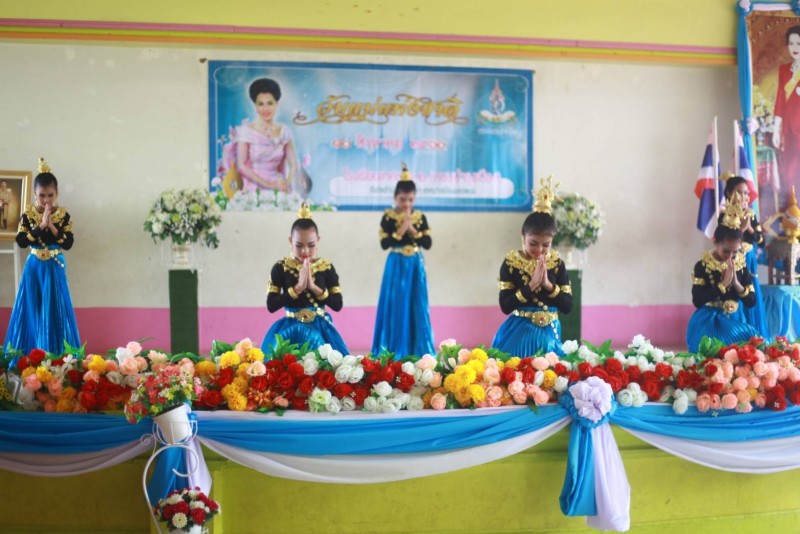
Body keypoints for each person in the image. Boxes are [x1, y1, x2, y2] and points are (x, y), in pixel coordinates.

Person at [4, 158, 80, 358]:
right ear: (34, 195)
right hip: (34, 266)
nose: (46, 200)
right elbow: (21, 241)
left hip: (54, 265)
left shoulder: (63, 215)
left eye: (50, 195)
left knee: (55, 307)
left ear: (57, 194)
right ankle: (30, 356)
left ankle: (56, 356)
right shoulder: (28, 214)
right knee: (32, 307)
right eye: (41, 196)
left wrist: (51, 226)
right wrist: (40, 226)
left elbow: (68, 243)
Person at [492, 177, 572, 357]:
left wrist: (549, 286)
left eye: (546, 245)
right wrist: (531, 286)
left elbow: (567, 306)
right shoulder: (511, 263)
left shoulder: (557, 264)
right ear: (523, 236)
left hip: (550, 331)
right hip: (519, 330)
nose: (539, 250)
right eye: (533, 243)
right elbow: (505, 306)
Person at [260, 203, 348, 355]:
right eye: (299, 245)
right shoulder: (281, 268)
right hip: (289, 329)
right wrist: (297, 289)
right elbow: (271, 305)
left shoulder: (326, 267)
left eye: (311, 245)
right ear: (290, 241)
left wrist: (315, 288)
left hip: (321, 328)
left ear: (318, 241)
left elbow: (337, 304)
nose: (305, 251)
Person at [371, 164, 435, 358]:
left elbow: (427, 243)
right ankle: (393, 349)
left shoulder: (420, 217)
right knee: (396, 303)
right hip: (396, 263)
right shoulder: (388, 217)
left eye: (410, 199)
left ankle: (418, 349)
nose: (407, 204)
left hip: (415, 264)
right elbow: (385, 244)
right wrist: (401, 230)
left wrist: (412, 229)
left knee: (417, 303)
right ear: (395, 197)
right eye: (402, 199)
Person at [687, 192, 760, 352]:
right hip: (708, 321)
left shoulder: (741, 265)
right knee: (710, 355)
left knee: (750, 348)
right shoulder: (703, 265)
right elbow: (697, 300)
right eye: (726, 251)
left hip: (736, 320)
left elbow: (751, 302)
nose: (730, 256)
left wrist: (736, 284)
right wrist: (722, 285)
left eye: (735, 252)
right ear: (716, 242)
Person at [224, 77, 307, 196]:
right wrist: (268, 185)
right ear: (256, 107)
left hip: (279, 186)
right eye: (261, 104)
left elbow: (293, 165)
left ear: (277, 104)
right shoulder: (246, 131)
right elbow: (241, 166)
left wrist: (286, 183)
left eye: (270, 103)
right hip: (254, 186)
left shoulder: (284, 131)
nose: (265, 109)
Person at [717, 176, 770, 339]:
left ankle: (754, 337)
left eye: (746, 193)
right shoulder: (724, 216)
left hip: (750, 261)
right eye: (739, 192)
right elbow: (724, 240)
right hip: (733, 261)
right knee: (734, 292)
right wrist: (741, 228)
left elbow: (762, 242)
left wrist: (750, 229)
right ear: (729, 193)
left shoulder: (750, 215)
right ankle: (736, 336)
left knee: (750, 293)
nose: (744, 196)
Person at [773, 25, 800, 200]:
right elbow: (780, 100)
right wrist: (776, 129)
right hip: (788, 129)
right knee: (789, 169)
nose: (794, 47)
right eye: (791, 43)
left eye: (798, 43)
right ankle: (793, 206)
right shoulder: (784, 69)